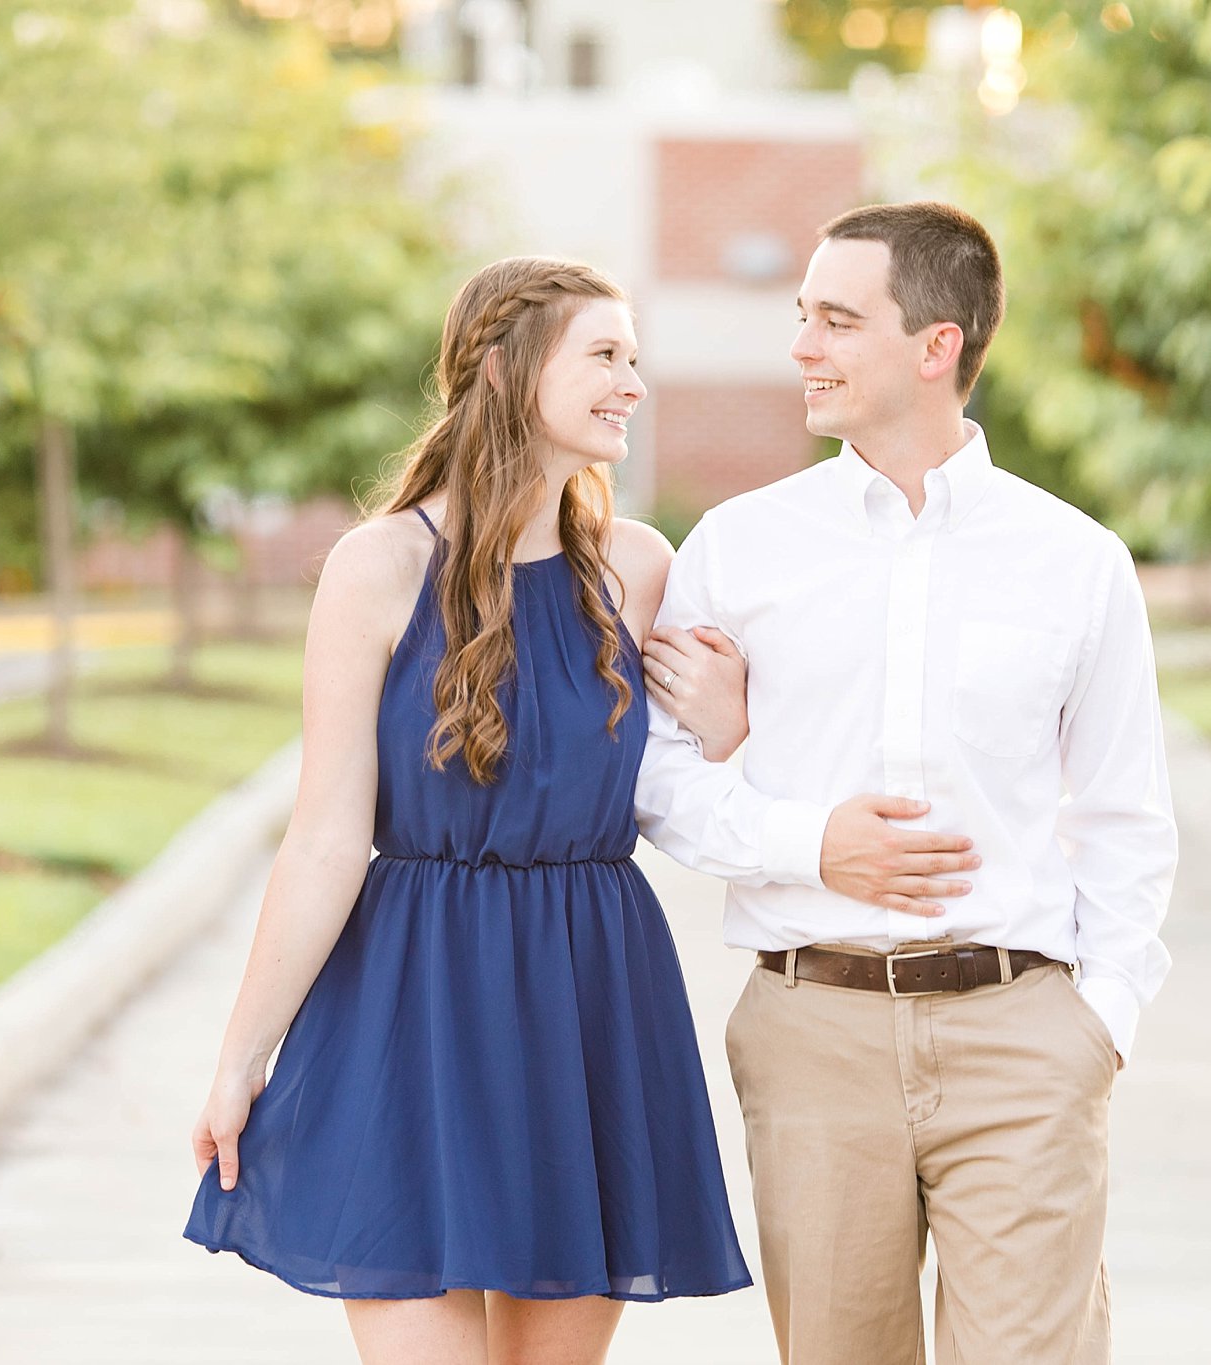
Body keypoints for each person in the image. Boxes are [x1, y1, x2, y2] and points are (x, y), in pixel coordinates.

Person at [635, 201, 1178, 1365]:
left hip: (1023, 1035)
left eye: (836, 321)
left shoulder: (1075, 562)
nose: (801, 349)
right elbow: (650, 778)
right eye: (801, 318)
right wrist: (802, 840)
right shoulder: (736, 548)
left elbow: (1128, 812)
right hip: (812, 1032)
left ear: (936, 347)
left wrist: (1103, 1019)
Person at [183, 257, 752, 1365]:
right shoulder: (379, 566)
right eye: (603, 354)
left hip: (586, 1001)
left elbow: (687, 784)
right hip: (409, 1006)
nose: (631, 381)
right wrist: (240, 1056)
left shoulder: (637, 568)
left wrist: (732, 726)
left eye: (634, 357)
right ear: (504, 365)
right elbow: (325, 836)